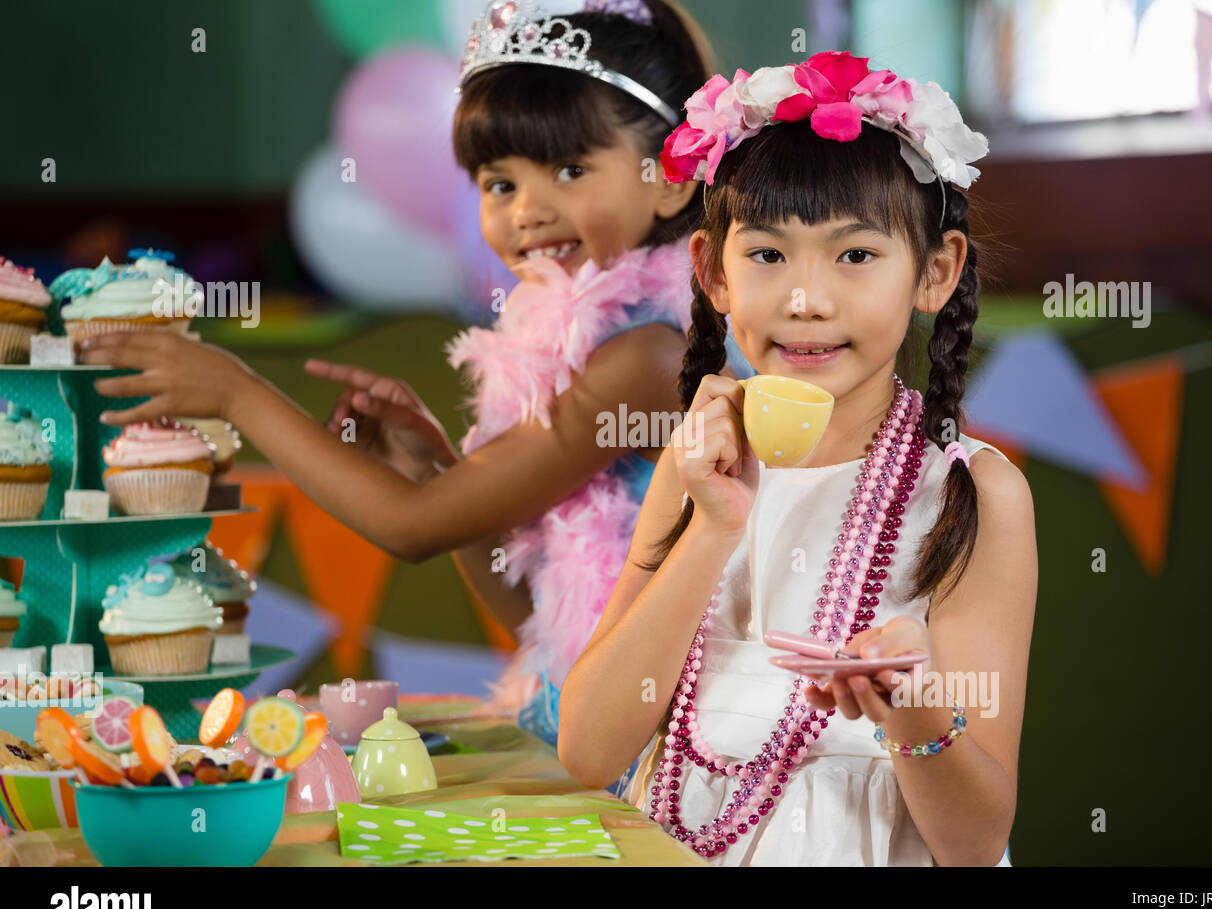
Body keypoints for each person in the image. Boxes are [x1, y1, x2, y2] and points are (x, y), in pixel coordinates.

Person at [77, 0, 731, 756]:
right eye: (498, 183)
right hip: (601, 728)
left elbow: (413, 530)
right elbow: (531, 603)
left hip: (680, 751)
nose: (528, 210)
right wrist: (440, 476)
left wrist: (235, 392)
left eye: (571, 168)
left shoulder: (650, 357)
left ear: (672, 182)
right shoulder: (586, 344)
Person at [558, 51, 1036, 865]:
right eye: (768, 255)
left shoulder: (970, 491)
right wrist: (712, 527)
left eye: (855, 256)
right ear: (713, 273)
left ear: (936, 272)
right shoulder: (697, 465)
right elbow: (588, 752)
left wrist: (912, 712)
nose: (806, 298)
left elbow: (975, 841)